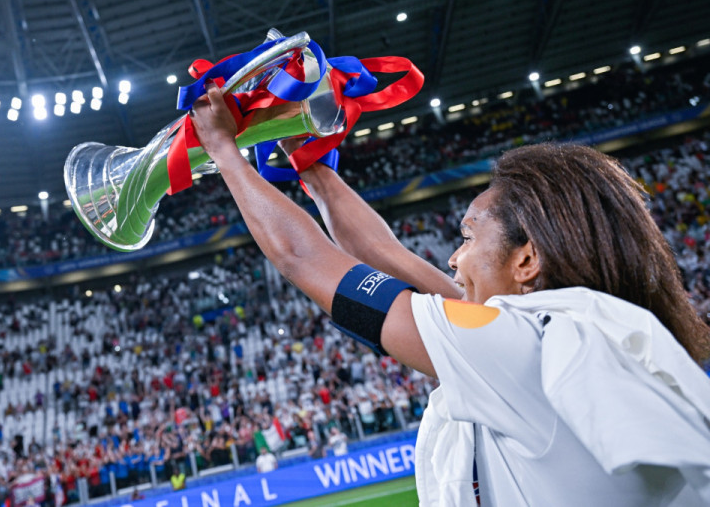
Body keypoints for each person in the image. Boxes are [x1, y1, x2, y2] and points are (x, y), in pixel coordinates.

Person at [189, 81, 710, 506]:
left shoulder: (517, 346)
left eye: (467, 238)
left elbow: (307, 260)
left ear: (526, 260)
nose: (454, 260)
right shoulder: (572, 332)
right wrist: (313, 170)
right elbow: (387, 256)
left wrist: (223, 150)